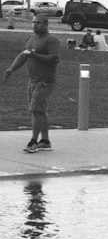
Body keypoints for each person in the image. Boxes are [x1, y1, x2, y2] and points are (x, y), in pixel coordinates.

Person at [3, 14, 60, 153]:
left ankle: (33, 141)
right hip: (33, 80)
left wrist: (36, 56)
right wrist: (12, 69)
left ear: (46, 25)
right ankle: (45, 141)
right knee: (40, 111)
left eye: (38, 23)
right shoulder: (31, 39)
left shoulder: (51, 40)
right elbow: (23, 56)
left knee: (36, 110)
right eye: (33, 22)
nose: (34, 25)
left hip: (45, 81)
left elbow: (55, 58)